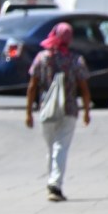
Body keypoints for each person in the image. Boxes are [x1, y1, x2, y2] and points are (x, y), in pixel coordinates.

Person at [25, 22, 92, 202]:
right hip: (69, 110)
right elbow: (84, 88)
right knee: (60, 147)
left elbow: (32, 86)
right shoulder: (75, 60)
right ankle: (55, 184)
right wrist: (86, 110)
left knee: (52, 147)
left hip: (46, 110)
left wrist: (29, 112)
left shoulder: (42, 58)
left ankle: (52, 182)